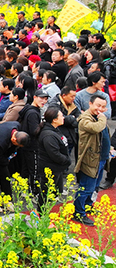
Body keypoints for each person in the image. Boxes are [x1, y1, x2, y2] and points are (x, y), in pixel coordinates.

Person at [73, 93, 108, 226]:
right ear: (90, 104)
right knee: (86, 187)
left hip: (101, 158)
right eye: (98, 105)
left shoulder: (98, 117)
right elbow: (96, 128)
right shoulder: (86, 118)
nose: (100, 109)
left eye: (103, 107)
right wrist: (103, 118)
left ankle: (88, 206)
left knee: (94, 187)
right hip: (90, 159)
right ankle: (79, 213)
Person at [0, 121, 28, 208]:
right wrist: (6, 161)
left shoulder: (17, 125)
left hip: (2, 152)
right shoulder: (0, 142)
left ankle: (7, 199)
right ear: (14, 139)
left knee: (5, 176)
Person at [36, 107, 71, 205]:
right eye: (61, 116)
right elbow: (54, 154)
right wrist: (67, 160)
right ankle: (42, 215)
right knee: (46, 194)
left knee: (54, 192)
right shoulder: (48, 135)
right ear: (54, 119)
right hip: (50, 169)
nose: (64, 118)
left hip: (56, 169)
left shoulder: (55, 130)